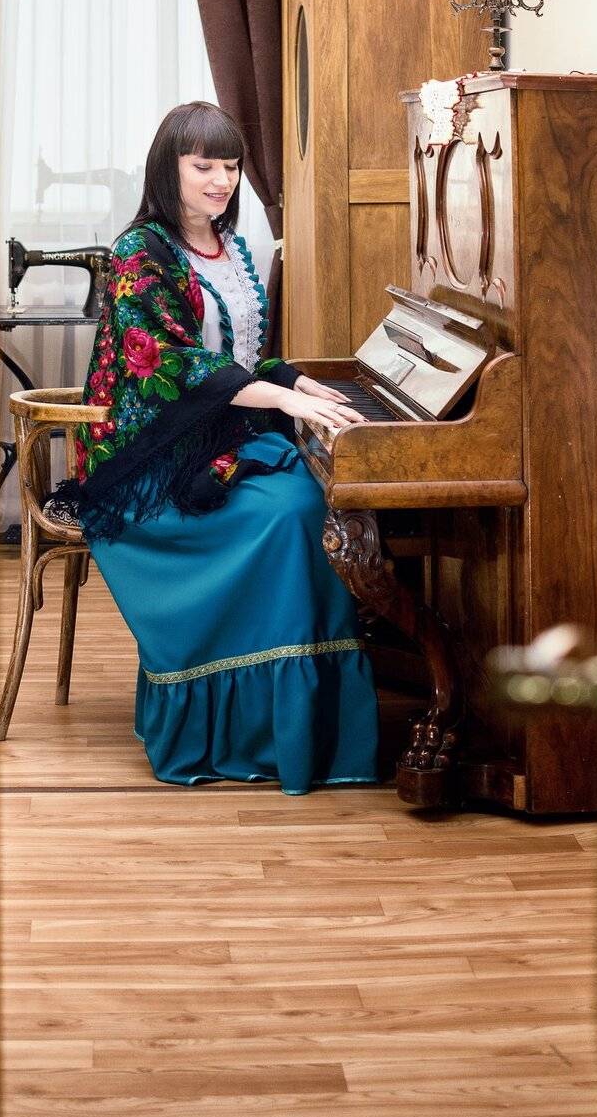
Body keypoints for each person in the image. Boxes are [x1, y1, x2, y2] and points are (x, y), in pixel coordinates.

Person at [59, 100, 380, 794]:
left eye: (230, 166)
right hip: (152, 461)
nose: (222, 181)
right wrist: (284, 402)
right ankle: (245, 730)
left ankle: (303, 729)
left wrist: (296, 380)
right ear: (167, 168)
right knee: (289, 514)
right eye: (203, 165)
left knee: (313, 502)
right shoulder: (139, 253)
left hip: (221, 441)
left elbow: (241, 359)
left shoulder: (231, 248)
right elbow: (171, 364)